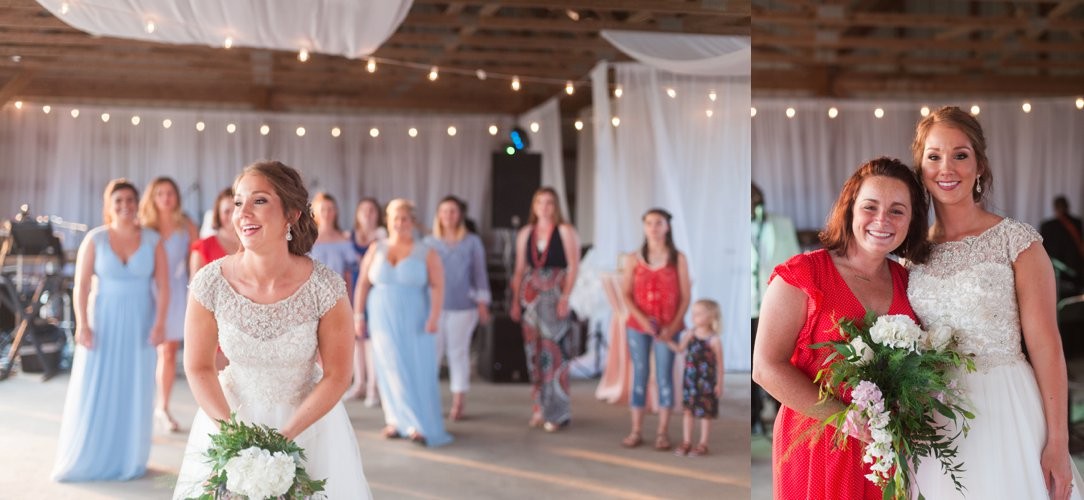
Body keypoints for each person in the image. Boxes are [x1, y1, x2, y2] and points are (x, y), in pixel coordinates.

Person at [907, 106, 1083, 500]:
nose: (946, 168)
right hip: (936, 420)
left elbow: (1047, 346)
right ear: (921, 168)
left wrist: (1058, 441)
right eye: (934, 156)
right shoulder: (912, 255)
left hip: (1008, 407)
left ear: (980, 166)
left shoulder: (1017, 242)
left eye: (960, 154)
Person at [173, 161, 370, 498]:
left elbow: (338, 375)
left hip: (309, 428)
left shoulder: (325, 288)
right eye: (238, 202)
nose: (243, 213)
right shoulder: (210, 283)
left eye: (259, 201)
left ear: (291, 214)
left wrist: (284, 439)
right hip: (228, 418)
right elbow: (198, 366)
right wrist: (235, 439)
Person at [751, 157, 930, 499]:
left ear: (912, 221)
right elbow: (766, 367)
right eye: (870, 207)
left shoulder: (909, 283)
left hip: (887, 447)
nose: (882, 220)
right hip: (818, 442)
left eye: (897, 211)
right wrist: (846, 419)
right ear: (849, 210)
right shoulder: (803, 274)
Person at [52, 179, 169, 481]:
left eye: (130, 199)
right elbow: (81, 286)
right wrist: (82, 324)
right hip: (102, 322)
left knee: (134, 388)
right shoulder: (95, 239)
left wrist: (160, 324)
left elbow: (164, 286)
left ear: (137, 203)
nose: (125, 205)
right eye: (118, 200)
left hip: (140, 323)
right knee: (96, 385)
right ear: (109, 205)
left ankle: (129, 458)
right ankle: (89, 455)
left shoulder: (153, 240)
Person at [354, 198, 451, 447]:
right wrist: (358, 315)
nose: (400, 223)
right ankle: (395, 420)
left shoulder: (426, 252)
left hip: (415, 315)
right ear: (388, 221)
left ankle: (418, 424)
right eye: (395, 218)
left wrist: (434, 317)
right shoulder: (377, 248)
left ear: (412, 222)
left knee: (415, 366)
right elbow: (363, 283)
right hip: (380, 315)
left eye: (404, 218)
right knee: (388, 365)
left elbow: (438, 286)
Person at [619, 208, 691, 450]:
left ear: (667, 226)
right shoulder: (633, 259)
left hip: (668, 328)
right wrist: (641, 321)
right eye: (649, 223)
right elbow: (626, 294)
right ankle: (636, 430)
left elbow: (685, 296)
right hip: (637, 327)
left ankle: (662, 432)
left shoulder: (678, 258)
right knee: (639, 374)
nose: (653, 228)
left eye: (658, 222)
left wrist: (672, 327)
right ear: (644, 227)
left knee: (664, 376)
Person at [509, 186, 580, 432]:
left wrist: (565, 297)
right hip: (531, 296)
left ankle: (558, 412)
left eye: (549, 202)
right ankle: (539, 407)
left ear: (556, 206)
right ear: (534, 206)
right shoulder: (525, 233)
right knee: (534, 353)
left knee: (556, 353)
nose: (544, 207)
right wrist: (515, 300)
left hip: (555, 293)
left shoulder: (565, 231)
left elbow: (573, 265)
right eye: (540, 202)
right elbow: (519, 269)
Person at [138, 176, 199, 433]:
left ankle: (162, 407)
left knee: (168, 350)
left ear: (177, 197)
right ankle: (138, 407)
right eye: (160, 193)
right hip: (145, 290)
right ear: (152, 198)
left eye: (170, 193)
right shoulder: (143, 226)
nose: (165, 198)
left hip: (175, 290)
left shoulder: (186, 225)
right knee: (142, 351)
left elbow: (197, 258)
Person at [423, 195, 491, 421]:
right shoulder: (429, 243)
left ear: (460, 215)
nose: (448, 216)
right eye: (444, 211)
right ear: (438, 215)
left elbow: (480, 274)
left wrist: (482, 303)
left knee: (458, 353)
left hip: (463, 307)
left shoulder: (472, 242)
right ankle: (429, 402)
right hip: (434, 308)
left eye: (452, 211)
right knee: (432, 355)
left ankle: (458, 402)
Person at [750, 183, 801, 435]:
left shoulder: (781, 225)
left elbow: (795, 262)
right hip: (749, 306)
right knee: (755, 364)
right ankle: (753, 418)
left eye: (754, 196)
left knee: (782, 363)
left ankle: (784, 418)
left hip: (779, 306)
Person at [344, 197, 386, 404]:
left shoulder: (383, 237)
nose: (368, 214)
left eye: (372, 210)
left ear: (378, 214)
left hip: (373, 293)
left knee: (371, 341)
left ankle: (373, 387)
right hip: (352, 290)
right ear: (357, 214)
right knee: (355, 340)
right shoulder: (348, 237)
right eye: (364, 210)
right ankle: (358, 384)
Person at [673, 299, 724, 457]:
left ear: (711, 317)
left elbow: (720, 365)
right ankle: (687, 441)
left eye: (699, 313)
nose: (694, 316)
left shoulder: (714, 340)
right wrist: (665, 340)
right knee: (688, 411)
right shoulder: (690, 334)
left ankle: (703, 443)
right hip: (690, 381)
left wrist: (719, 384)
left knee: (705, 413)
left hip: (706, 383)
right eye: (693, 313)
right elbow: (680, 349)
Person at [310, 192, 357, 296]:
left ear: (336, 212)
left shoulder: (344, 241)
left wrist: (349, 300)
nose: (327, 213)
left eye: (330, 209)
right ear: (315, 212)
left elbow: (348, 276)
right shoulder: (308, 241)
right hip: (314, 295)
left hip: (337, 295)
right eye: (323, 209)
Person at [189, 187, 240, 274]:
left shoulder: (252, 244)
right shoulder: (203, 247)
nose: (232, 215)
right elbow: (194, 282)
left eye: (236, 209)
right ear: (218, 215)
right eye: (227, 211)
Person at [1041, 195, 1084, 292]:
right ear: (1067, 206)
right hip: (1074, 270)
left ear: (1054, 208)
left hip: (1055, 269)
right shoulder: (1076, 223)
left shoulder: (1047, 225)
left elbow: (1043, 249)